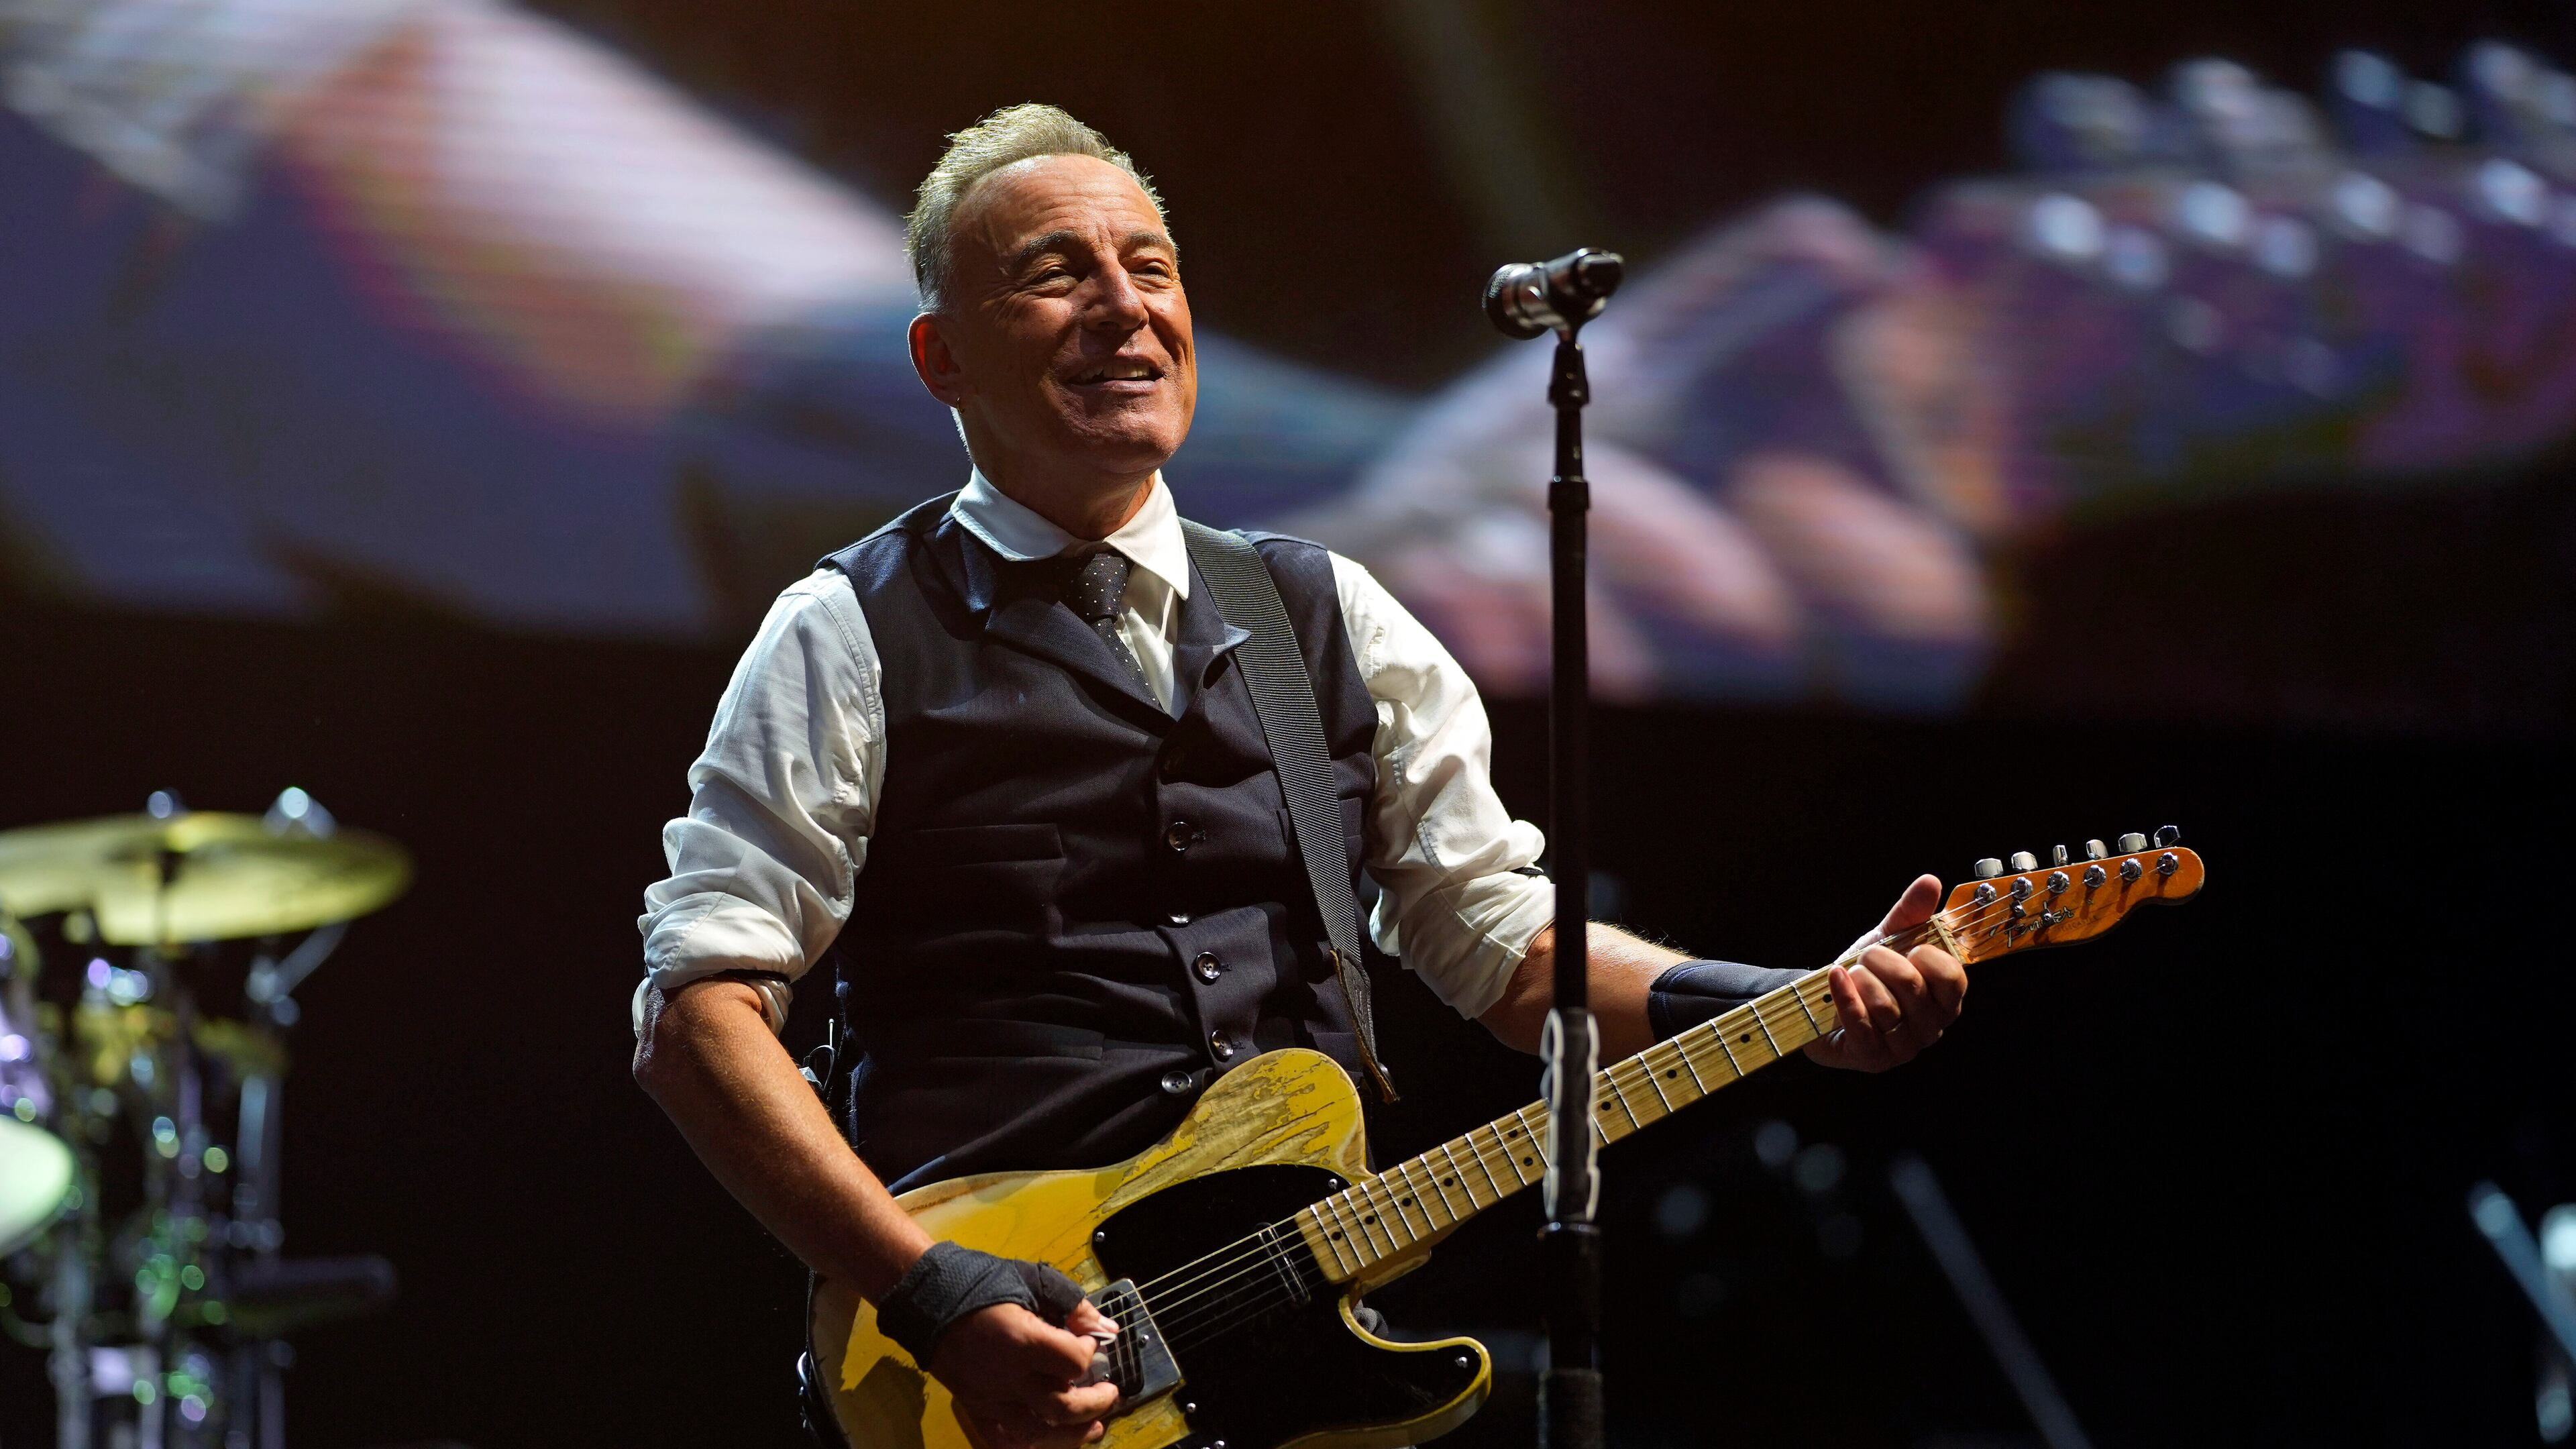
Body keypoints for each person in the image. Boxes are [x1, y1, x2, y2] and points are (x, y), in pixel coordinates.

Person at [630, 103, 1968, 1449]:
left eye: (1150, 268)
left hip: (1288, 1360)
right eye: (1056, 273)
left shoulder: (1321, 611)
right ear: (942, 356)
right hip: (1004, 1362)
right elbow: (697, 1019)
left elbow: (1503, 952)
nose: (1123, 307)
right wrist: (928, 1292)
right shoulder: (849, 626)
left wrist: (1795, 1003)